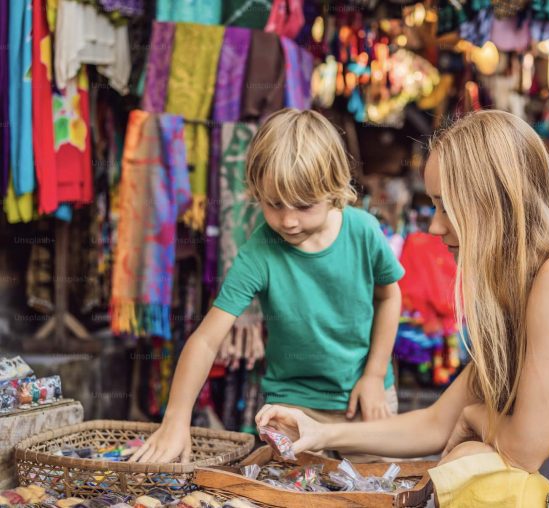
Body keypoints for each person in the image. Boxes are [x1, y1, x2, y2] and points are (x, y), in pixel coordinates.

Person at [257, 110, 549, 507]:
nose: (435, 227)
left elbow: (523, 451)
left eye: (445, 206)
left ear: (491, 203)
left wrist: (475, 418)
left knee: (474, 469)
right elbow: (435, 422)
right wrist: (320, 433)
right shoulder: (528, 290)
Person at [130, 109, 405, 463]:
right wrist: (175, 420)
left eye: (304, 206)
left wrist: (374, 375)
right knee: (287, 488)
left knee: (375, 487)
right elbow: (206, 340)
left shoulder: (364, 232)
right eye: (274, 204)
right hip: (291, 406)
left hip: (365, 399)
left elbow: (389, 297)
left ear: (333, 189)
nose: (288, 221)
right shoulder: (259, 250)